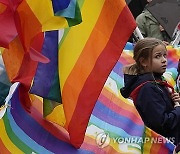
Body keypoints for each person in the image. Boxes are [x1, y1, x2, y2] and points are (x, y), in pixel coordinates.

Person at [120, 38, 180, 151]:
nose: (164, 60)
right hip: (165, 147)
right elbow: (162, 124)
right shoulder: (147, 89)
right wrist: (178, 109)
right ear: (143, 62)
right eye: (158, 56)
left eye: (165, 56)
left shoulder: (156, 82)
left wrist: (173, 102)